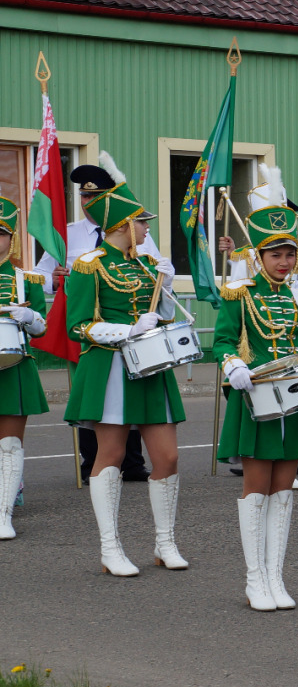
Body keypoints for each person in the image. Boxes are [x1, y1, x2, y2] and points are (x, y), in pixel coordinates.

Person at [63, 154, 186, 577]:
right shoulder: (89, 265)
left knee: (167, 457)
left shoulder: (149, 265)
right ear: (121, 225)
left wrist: (166, 290)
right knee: (110, 455)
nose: (147, 228)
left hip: (152, 368)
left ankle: (165, 542)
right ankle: (110, 547)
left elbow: (167, 317)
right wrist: (127, 330)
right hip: (111, 369)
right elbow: (78, 325)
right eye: (142, 222)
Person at [214, 169, 298, 610]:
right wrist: (233, 362)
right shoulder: (239, 293)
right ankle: (255, 577)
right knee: (256, 486)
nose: (284, 261)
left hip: (294, 399)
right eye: (275, 253)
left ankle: (276, 576)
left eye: (289, 253)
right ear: (257, 256)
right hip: (255, 396)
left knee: (284, 486)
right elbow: (220, 340)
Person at [40, 165, 164, 484]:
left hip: (136, 329)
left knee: (134, 390)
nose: (87, 202)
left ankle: (133, 462)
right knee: (95, 393)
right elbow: (40, 276)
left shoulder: (136, 233)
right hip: (88, 322)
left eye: (95, 196)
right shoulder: (66, 233)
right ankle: (92, 460)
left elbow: (157, 273)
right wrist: (53, 281)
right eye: (84, 196)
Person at [0, 197, 48, 541]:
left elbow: (42, 328)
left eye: (1, 232)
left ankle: (3, 512)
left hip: (14, 366)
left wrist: (29, 316)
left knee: (10, 443)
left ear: (12, 237)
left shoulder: (25, 278)